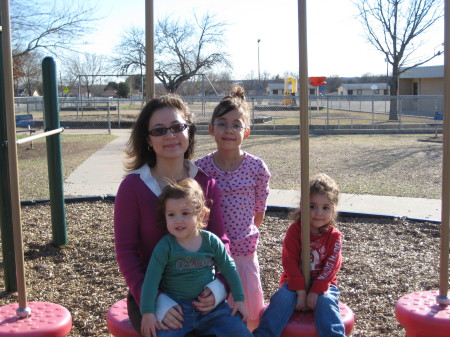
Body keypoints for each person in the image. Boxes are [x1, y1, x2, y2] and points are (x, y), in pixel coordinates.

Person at [114, 94, 230, 335]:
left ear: (189, 132)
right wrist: (156, 300)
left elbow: (221, 242)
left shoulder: (206, 184)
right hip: (152, 297)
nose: (170, 135)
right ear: (148, 139)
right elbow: (126, 252)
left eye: (177, 127)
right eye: (159, 130)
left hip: (201, 294)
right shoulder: (132, 187)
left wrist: (220, 286)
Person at [195, 85, 271, 331]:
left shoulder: (257, 169)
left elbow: (259, 213)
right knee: (214, 316)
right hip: (209, 257)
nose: (229, 130)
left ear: (246, 132)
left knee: (247, 313)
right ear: (211, 129)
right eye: (223, 123)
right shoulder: (200, 169)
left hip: (243, 254)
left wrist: (240, 239)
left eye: (236, 124)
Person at [140, 178, 253, 337]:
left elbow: (229, 269)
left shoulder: (211, 241)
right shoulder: (165, 246)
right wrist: (148, 313)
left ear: (201, 214)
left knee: (240, 331)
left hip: (212, 310)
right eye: (171, 214)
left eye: (185, 213)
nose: (178, 220)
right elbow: (151, 280)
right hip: (177, 310)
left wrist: (240, 300)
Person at [253, 173, 346, 337]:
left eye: (325, 208)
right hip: (294, 282)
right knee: (281, 299)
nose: (318, 212)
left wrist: (316, 290)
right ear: (302, 206)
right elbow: (290, 262)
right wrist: (301, 291)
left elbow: (332, 266)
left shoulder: (333, 236)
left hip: (324, 285)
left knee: (327, 302)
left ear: (333, 210)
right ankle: (264, 334)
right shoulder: (296, 230)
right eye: (312, 206)